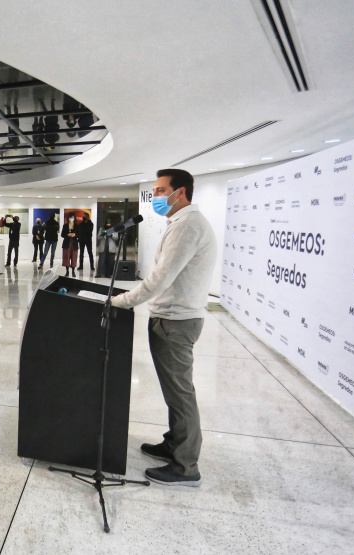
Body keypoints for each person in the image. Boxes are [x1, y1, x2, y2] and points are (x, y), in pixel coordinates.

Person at [111, 168, 217, 487]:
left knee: (181, 394)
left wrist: (121, 301)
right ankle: (173, 445)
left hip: (176, 321)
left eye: (159, 191)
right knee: (175, 392)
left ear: (180, 192)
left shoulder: (188, 226)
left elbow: (159, 278)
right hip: (171, 318)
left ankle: (186, 467)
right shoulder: (181, 223)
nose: (155, 196)